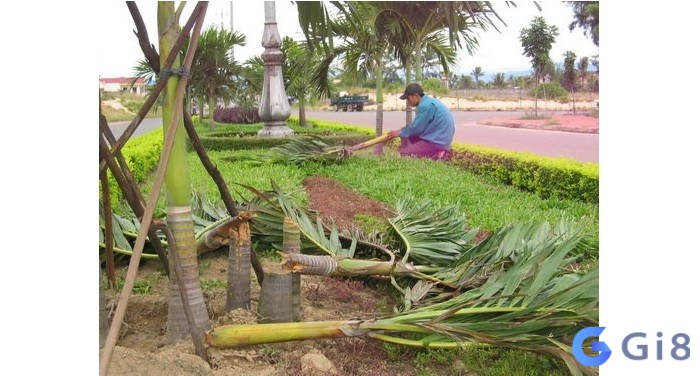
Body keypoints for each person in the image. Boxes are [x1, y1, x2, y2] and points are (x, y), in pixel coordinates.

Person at [388, 83, 455, 160]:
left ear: (415, 95)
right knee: (405, 135)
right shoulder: (429, 102)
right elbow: (414, 129)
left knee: (402, 153)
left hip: (437, 143)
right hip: (440, 140)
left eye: (408, 99)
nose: (408, 102)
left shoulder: (425, 106)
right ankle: (413, 152)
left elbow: (416, 128)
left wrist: (398, 132)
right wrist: (401, 132)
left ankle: (436, 153)